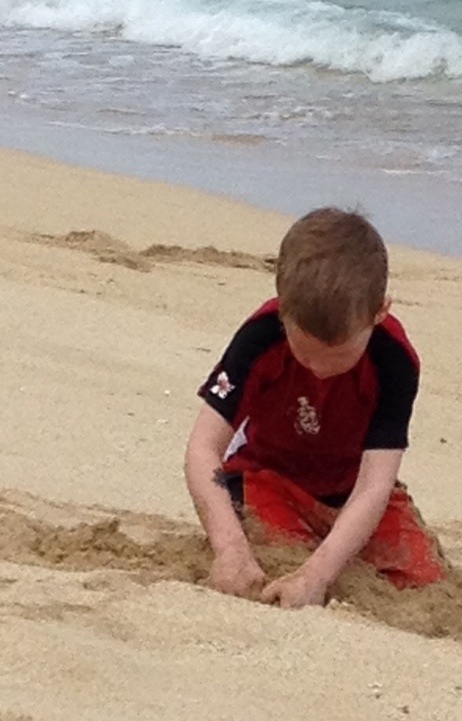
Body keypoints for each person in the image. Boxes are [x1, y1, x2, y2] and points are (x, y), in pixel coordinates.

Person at [184, 206, 446, 609]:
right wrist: (229, 548)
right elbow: (203, 448)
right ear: (283, 310)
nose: (319, 369)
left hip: (352, 490)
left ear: (379, 312)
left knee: (423, 575)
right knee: (280, 553)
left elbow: (375, 483)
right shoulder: (260, 337)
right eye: (304, 353)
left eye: (338, 355)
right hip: (268, 478)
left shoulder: (394, 360)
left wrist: (317, 575)